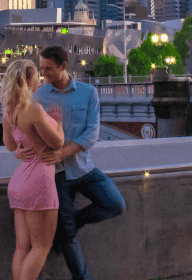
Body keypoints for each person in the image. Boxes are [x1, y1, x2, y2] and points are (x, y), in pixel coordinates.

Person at [17, 46, 126, 280]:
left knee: (115, 204)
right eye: (41, 68)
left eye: (49, 69)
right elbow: (24, 129)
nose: (44, 74)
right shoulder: (37, 97)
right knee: (67, 238)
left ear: (64, 66)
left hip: (84, 168)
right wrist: (19, 148)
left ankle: (69, 224)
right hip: (55, 175)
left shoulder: (88, 93)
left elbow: (91, 133)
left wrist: (63, 152)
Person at [1, 59, 65, 280]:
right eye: (37, 75)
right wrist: (58, 123)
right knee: (40, 247)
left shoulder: (9, 113)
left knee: (22, 247)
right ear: (27, 79)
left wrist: (21, 151)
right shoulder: (35, 111)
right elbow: (57, 144)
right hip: (39, 183)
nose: (40, 79)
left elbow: (11, 147)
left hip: (19, 183)